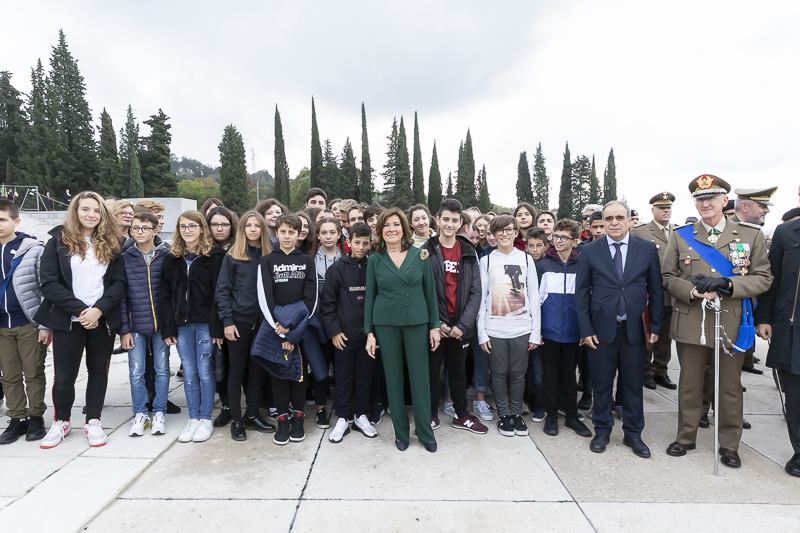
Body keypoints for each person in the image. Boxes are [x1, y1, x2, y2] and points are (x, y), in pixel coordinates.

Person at [661, 175, 771, 468]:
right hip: (692, 320)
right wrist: (694, 290)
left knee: (730, 386)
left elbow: (763, 278)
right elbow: (667, 278)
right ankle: (686, 436)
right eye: (700, 199)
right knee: (690, 384)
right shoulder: (681, 234)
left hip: (732, 322)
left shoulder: (750, 235)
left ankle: (729, 444)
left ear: (726, 201)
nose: (705, 204)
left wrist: (729, 284)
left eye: (711, 198)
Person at [36, 192, 125, 449]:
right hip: (68, 320)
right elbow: (49, 283)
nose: (91, 215)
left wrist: (98, 310)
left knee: (98, 371)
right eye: (85, 209)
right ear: (75, 211)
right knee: (64, 376)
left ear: (102, 214)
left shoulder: (112, 243)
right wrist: (82, 310)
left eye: (96, 211)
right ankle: (61, 421)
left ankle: (93, 420)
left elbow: (118, 284)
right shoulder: (57, 242)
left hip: (101, 320)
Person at [575, 200, 663, 458]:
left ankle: (633, 434)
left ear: (628, 221)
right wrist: (585, 329)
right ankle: (602, 431)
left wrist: (656, 325)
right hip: (601, 331)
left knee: (633, 385)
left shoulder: (646, 249)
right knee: (601, 384)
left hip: (635, 330)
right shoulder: (590, 251)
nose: (614, 222)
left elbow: (657, 290)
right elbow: (580, 294)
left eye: (619, 218)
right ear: (602, 221)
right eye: (609, 218)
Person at [364, 208, 441, 452]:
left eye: (396, 224)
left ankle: (426, 433)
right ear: (381, 231)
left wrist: (435, 326)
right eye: (386, 225)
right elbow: (370, 298)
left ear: (404, 228)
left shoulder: (421, 255)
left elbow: (430, 293)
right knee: (394, 379)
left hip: (417, 322)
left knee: (420, 379)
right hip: (386, 323)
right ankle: (401, 433)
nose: (391, 229)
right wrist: (369, 333)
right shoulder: (375, 259)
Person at [158, 211, 225, 444]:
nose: (187, 230)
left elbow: (220, 295)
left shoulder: (215, 257)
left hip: (206, 324)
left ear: (202, 228)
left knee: (205, 370)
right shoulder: (171, 258)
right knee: (189, 371)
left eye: (192, 226)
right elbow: (164, 296)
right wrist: (168, 328)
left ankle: (205, 418)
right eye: (183, 226)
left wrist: (218, 328)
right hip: (182, 324)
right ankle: (193, 417)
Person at [422, 199, 487, 434]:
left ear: (461, 223)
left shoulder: (469, 251)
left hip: (460, 327)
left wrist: (462, 324)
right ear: (437, 220)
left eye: (454, 220)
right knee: (430, 371)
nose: (450, 224)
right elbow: (419, 290)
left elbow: (476, 292)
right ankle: (429, 415)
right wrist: (435, 323)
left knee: (459, 372)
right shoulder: (424, 251)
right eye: (445, 219)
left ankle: (461, 415)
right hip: (435, 327)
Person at [256, 213, 318, 445]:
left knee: (299, 376)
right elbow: (265, 299)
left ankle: (299, 419)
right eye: (283, 231)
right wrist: (280, 330)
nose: (287, 236)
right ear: (276, 233)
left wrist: (292, 333)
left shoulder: (307, 261)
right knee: (279, 375)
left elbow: (311, 300)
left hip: (298, 331)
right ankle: (283, 421)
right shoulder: (267, 261)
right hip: (274, 330)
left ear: (298, 233)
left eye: (292, 232)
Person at [477, 214, 541, 437]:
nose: (504, 234)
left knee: (518, 374)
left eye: (509, 230)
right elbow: (482, 298)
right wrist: (482, 333)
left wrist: (535, 333)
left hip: (522, 328)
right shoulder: (486, 261)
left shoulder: (525, 259)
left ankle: (515, 413)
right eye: (500, 230)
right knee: (498, 373)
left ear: (516, 232)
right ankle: (503, 414)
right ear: (493, 234)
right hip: (495, 328)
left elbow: (534, 296)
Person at [216, 211, 275, 441]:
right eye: (248, 225)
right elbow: (222, 291)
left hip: (263, 323)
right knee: (236, 371)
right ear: (242, 229)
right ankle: (236, 420)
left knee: (256, 372)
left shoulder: (269, 256)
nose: (252, 229)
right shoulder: (233, 256)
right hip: (239, 322)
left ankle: (252, 415)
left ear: (262, 230)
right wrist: (227, 322)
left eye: (257, 226)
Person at [321, 222, 378, 442]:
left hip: (368, 337)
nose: (361, 247)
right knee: (343, 378)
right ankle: (343, 417)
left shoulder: (375, 266)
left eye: (365, 243)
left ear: (370, 243)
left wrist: (373, 332)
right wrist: (334, 331)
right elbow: (327, 304)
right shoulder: (337, 268)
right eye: (357, 243)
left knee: (364, 377)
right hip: (343, 337)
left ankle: (361, 414)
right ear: (348, 243)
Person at [0, 199, 50, 444]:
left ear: (15, 221)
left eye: (2, 219)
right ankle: (17, 418)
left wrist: (44, 324)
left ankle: (36, 416)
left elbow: (44, 288)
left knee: (33, 372)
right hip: (2, 326)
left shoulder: (31, 249)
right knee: (8, 375)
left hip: (27, 322)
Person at [537, 219, 591, 438]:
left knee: (569, 375)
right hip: (549, 331)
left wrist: (584, 330)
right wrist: (537, 329)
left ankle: (570, 414)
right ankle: (551, 414)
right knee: (550, 374)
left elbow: (587, 299)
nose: (558, 241)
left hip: (574, 332)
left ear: (575, 241)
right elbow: (536, 300)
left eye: (563, 237)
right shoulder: (543, 265)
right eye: (556, 236)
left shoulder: (583, 266)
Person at [755, 215, 800, 477]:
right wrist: (764, 318)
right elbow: (772, 280)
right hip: (791, 328)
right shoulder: (786, 232)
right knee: (795, 396)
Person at [119, 212, 171, 437]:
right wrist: (124, 329)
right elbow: (121, 297)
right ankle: (140, 413)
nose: (139, 232)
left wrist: (170, 327)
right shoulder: (125, 257)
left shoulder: (167, 255)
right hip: (135, 326)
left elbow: (171, 295)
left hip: (161, 327)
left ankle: (159, 411)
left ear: (155, 230)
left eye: (144, 228)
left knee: (162, 370)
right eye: (135, 228)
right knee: (136, 371)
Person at [630, 192, 678, 391]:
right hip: (649, 293)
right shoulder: (641, 232)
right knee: (648, 333)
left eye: (668, 207)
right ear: (653, 210)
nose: (666, 211)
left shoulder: (679, 231)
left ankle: (661, 370)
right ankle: (646, 371)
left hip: (671, 293)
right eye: (661, 208)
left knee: (666, 335)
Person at [731, 186, 777, 376]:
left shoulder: (753, 233)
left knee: (731, 375)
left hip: (745, 311)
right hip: (722, 310)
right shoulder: (722, 231)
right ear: (744, 207)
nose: (766, 210)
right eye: (762, 205)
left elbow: (763, 276)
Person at [205, 205, 238, 425]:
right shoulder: (204, 252)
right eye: (215, 224)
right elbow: (211, 293)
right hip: (215, 316)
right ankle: (226, 406)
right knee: (220, 365)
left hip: (240, 315)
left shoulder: (238, 249)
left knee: (238, 366)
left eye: (224, 224)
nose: (219, 228)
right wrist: (217, 325)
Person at [310, 217, 343, 428]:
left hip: (342, 322)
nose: (328, 236)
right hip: (318, 321)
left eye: (333, 232)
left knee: (341, 366)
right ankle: (321, 409)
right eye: (324, 232)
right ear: (318, 235)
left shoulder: (347, 258)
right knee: (319, 367)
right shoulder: (310, 259)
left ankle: (341, 407)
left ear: (339, 234)